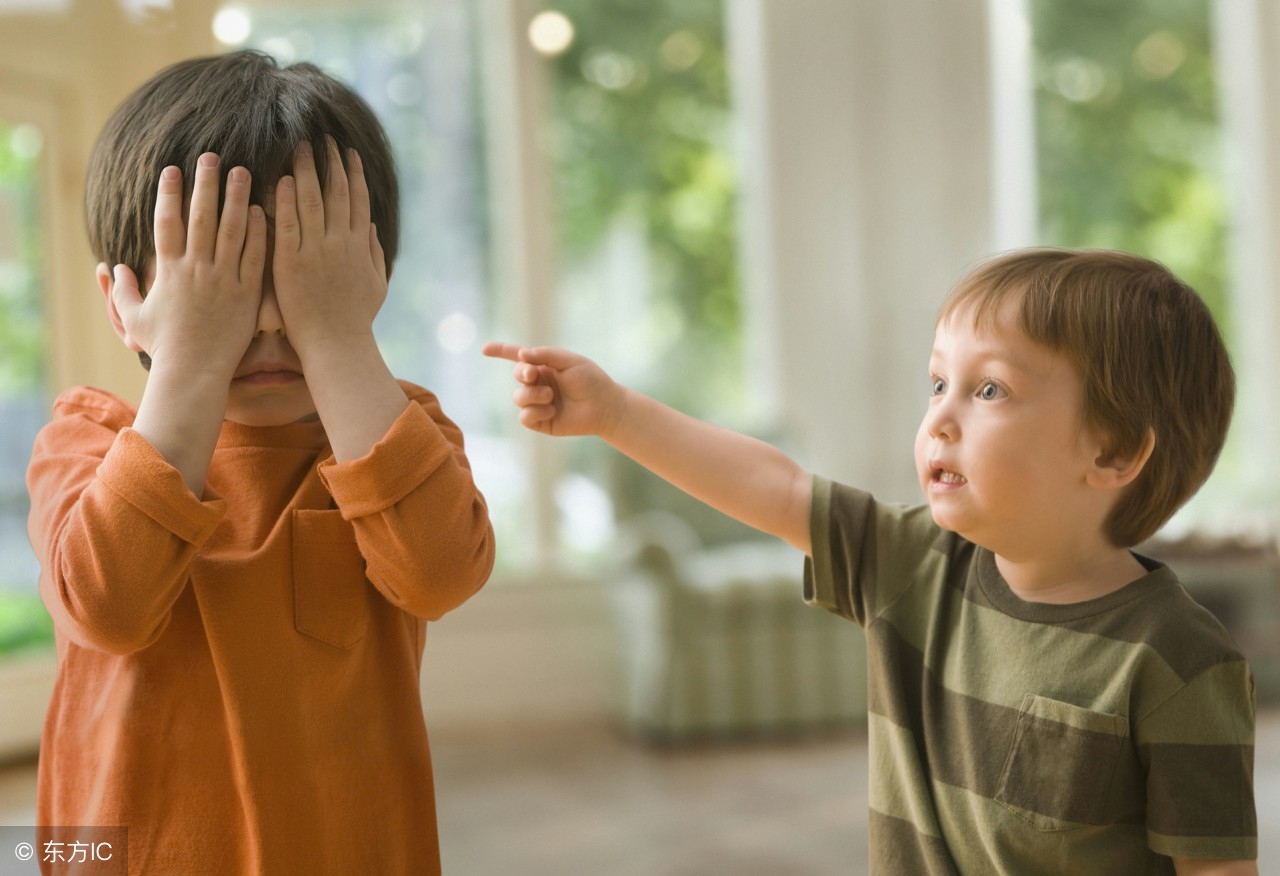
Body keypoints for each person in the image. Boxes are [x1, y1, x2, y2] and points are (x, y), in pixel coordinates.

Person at [485, 248, 1257, 875]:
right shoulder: (911, 562)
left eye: (989, 389)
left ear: (1113, 451)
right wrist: (617, 413)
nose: (940, 419)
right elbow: (777, 484)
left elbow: (1215, 870)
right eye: (937, 382)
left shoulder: (1180, 661)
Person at [26, 51, 494, 875]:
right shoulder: (86, 439)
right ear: (124, 304)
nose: (271, 320)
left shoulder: (399, 433)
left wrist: (341, 339)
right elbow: (110, 607)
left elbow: (440, 574)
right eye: (223, 282)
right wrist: (192, 363)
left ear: (370, 276)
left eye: (303, 276)